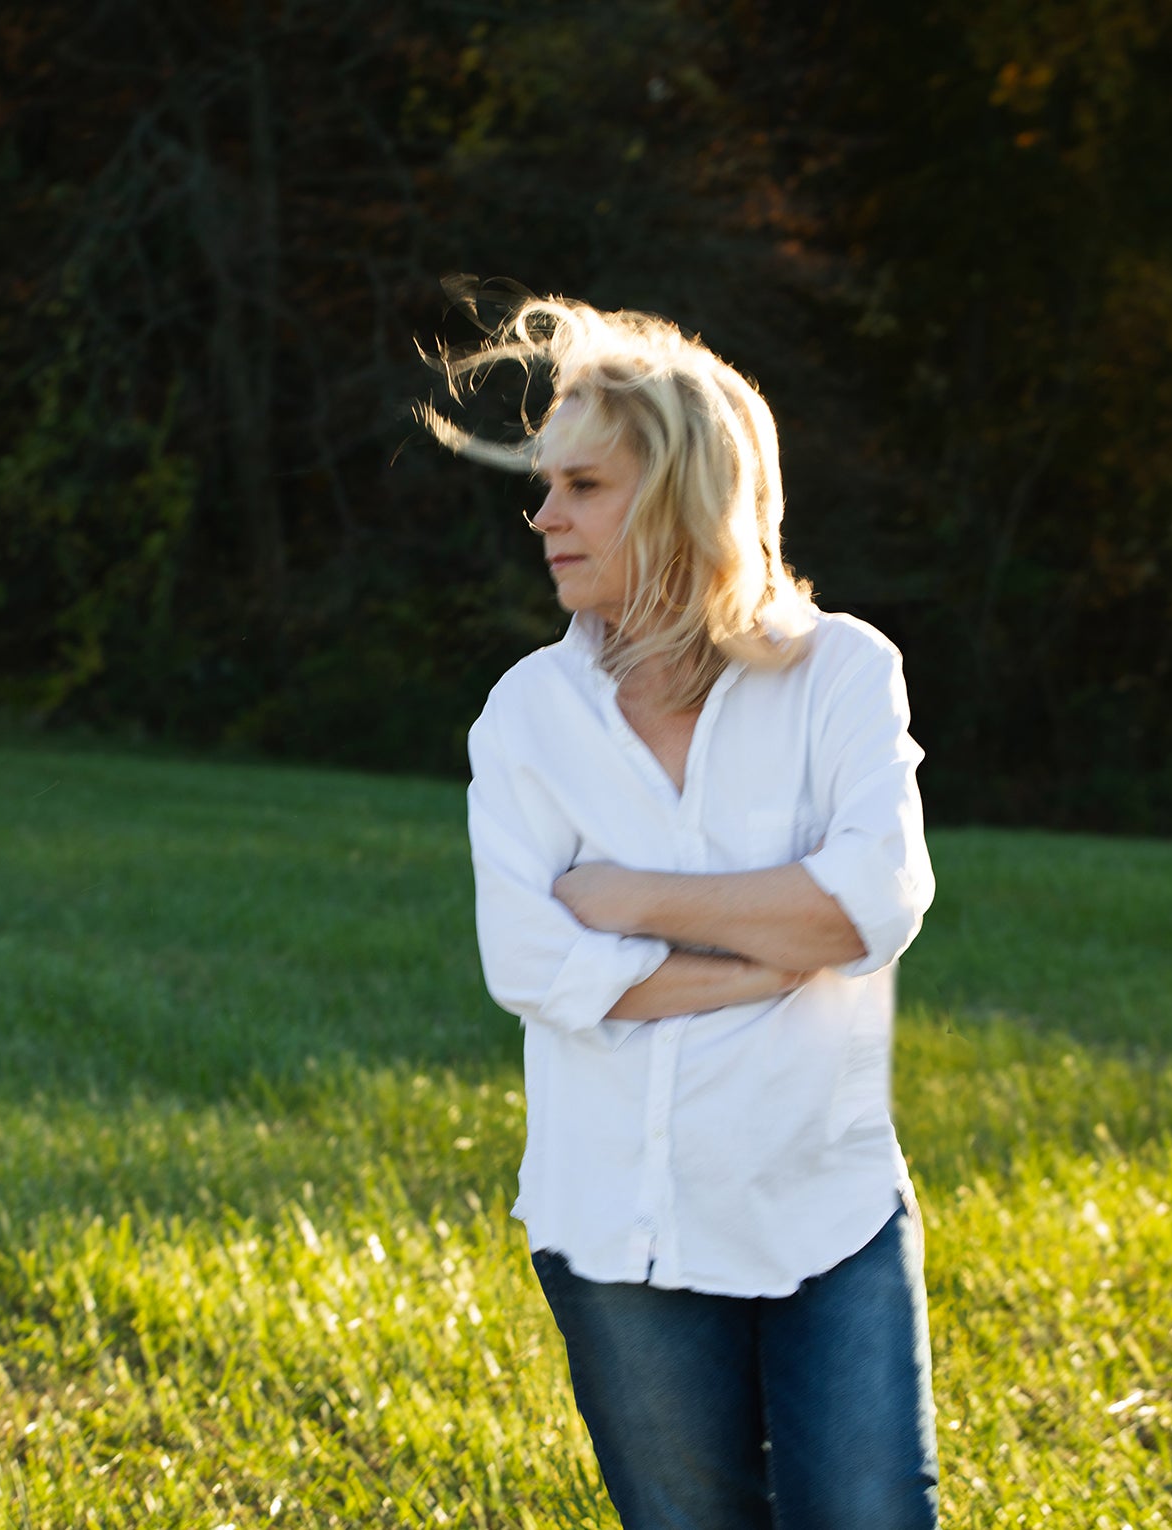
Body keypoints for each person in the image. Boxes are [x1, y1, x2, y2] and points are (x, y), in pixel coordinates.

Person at [424, 297, 939, 1529]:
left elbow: (876, 904)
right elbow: (530, 964)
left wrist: (631, 904)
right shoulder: (526, 717)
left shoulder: (840, 674)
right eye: (544, 487)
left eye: (581, 486)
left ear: (679, 495)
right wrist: (770, 950)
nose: (542, 516)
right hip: (615, 1234)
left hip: (824, 1212)